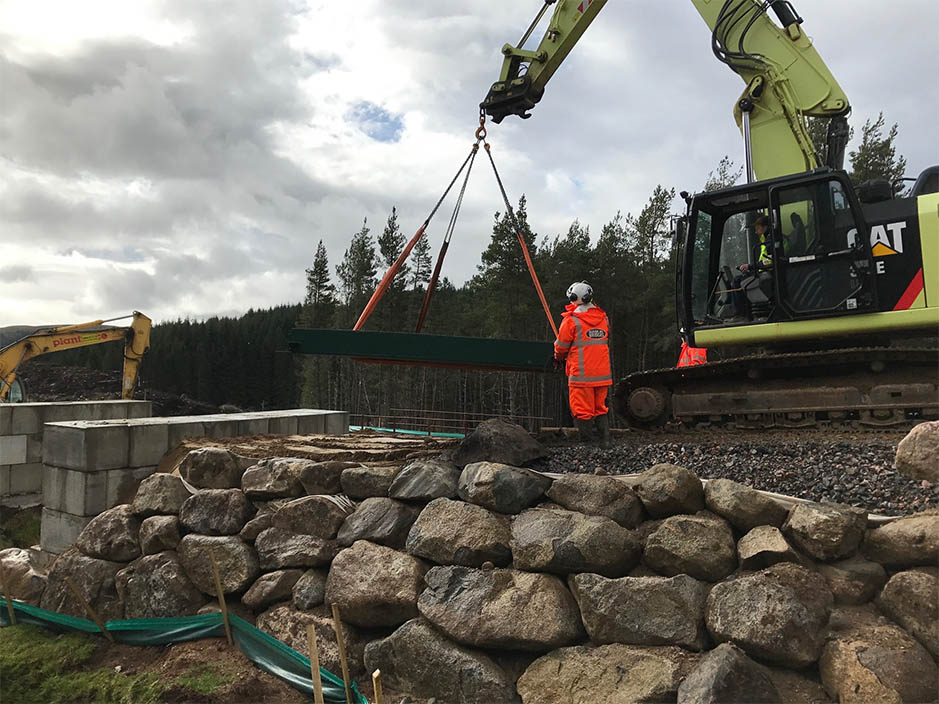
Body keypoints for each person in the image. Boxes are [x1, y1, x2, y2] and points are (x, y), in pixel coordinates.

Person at [553, 281, 613, 448]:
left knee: (582, 410)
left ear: (573, 298)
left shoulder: (571, 321)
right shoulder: (603, 318)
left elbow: (561, 347)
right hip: (602, 375)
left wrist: (557, 357)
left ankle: (587, 445)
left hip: (581, 375)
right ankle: (605, 442)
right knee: (600, 408)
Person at [730, 214, 774, 319]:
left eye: (757, 228)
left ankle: (741, 314)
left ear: (765, 227)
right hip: (765, 271)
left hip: (768, 273)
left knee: (737, 281)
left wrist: (749, 267)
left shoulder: (770, 241)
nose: (755, 232)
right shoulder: (768, 239)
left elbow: (769, 262)